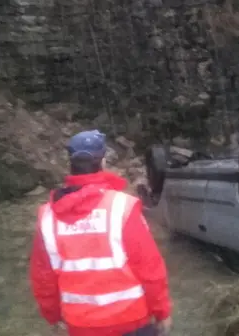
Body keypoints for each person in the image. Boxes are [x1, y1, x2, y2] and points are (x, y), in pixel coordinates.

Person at [29, 129, 173, 336]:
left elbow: (43, 277)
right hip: (132, 321)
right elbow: (150, 268)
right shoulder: (122, 207)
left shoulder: (47, 217)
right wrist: (162, 311)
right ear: (103, 162)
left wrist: (52, 315)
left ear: (70, 163)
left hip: (81, 327)